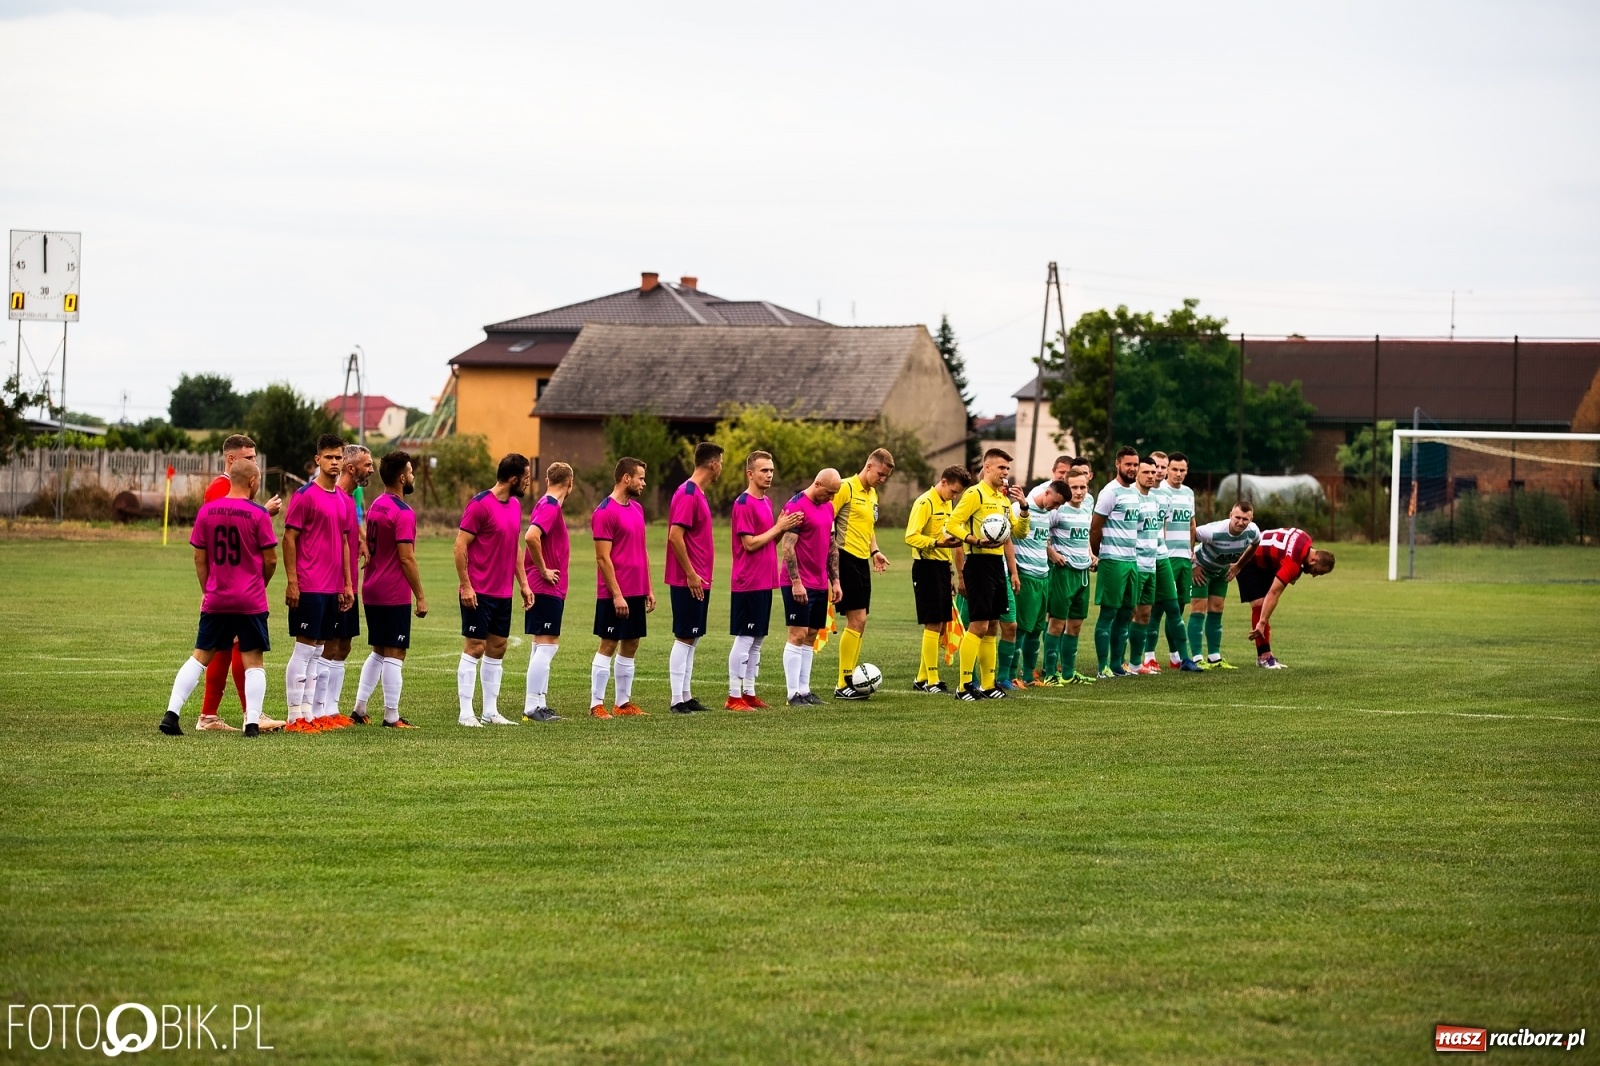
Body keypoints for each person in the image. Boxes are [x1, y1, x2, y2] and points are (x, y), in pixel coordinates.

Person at [159, 460, 278, 738]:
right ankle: (251, 724)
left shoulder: (206, 512)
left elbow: (199, 558)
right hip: (249, 600)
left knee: (199, 657)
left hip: (217, 598)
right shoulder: (258, 514)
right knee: (253, 661)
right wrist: (260, 584)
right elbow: (271, 560)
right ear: (251, 482)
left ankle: (171, 714)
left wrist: (208, 589)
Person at [195, 434, 282, 732]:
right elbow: (227, 527)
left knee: (227, 648)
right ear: (233, 460)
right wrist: (264, 512)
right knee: (236, 648)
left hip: (229, 587)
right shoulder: (220, 488)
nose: (256, 463)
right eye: (251, 457)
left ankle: (219, 715)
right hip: (234, 587)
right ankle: (244, 715)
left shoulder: (226, 488)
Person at [455, 453, 533, 726]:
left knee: (497, 648)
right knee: (475, 647)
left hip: (503, 593)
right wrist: (466, 585)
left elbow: (514, 547)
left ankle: (490, 711)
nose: (527, 484)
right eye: (525, 478)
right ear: (513, 479)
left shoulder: (514, 506)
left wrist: (523, 584)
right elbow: (459, 546)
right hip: (478, 592)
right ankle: (466, 713)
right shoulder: (480, 505)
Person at [281, 434, 352, 733]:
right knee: (304, 648)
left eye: (338, 457)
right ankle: (293, 716)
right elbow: (289, 538)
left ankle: (309, 714)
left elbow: (346, 543)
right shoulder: (304, 496)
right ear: (318, 460)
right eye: (329, 457)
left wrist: (347, 584)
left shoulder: (344, 500)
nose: (334, 462)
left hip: (332, 586)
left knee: (319, 650)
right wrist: (292, 581)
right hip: (309, 584)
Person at [351, 450, 427, 729]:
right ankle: (391, 716)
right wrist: (420, 595)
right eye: (410, 470)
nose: (413, 475)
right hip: (392, 591)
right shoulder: (402, 512)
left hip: (371, 587)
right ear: (401, 477)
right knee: (396, 652)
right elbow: (406, 558)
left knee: (379, 650)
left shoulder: (377, 505)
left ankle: (359, 709)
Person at [946, 448, 1028, 701]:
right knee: (979, 624)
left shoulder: (1003, 500)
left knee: (993, 625)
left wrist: (1024, 508)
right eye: (1001, 467)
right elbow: (952, 524)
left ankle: (989, 684)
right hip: (978, 563)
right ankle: (964, 685)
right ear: (988, 468)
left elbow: (1019, 533)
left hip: (997, 566)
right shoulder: (974, 494)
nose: (1005, 473)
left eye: (1007, 469)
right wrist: (974, 540)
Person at [727, 451, 803, 710]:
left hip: (764, 579)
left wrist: (780, 528)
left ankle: (748, 692)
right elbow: (749, 544)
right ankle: (733, 696)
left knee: (758, 638)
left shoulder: (765, 502)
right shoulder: (744, 503)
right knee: (746, 637)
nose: (769, 475)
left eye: (771, 470)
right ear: (750, 474)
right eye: (764, 470)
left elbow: (769, 540)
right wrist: (779, 527)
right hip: (748, 580)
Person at [307, 443, 371, 728]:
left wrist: (361, 538)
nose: (370, 469)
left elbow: (349, 532)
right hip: (328, 584)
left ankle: (331, 709)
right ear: (350, 467)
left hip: (349, 584)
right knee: (326, 647)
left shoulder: (351, 496)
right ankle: (317, 710)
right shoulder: (326, 496)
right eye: (367, 465)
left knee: (343, 646)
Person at [590, 457, 655, 718]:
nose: (643, 483)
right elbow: (602, 558)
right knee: (609, 643)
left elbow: (642, 550)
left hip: (637, 591)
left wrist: (648, 587)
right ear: (626, 478)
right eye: (640, 477)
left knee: (631, 644)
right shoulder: (604, 512)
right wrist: (617, 594)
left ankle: (623, 703)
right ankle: (596, 705)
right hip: (614, 593)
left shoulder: (637, 509)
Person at [664, 443, 724, 713]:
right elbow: (675, 536)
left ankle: (686, 696)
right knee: (685, 636)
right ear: (713, 464)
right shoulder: (688, 493)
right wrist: (690, 573)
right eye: (721, 462)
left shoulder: (698, 493)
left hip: (700, 578)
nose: (721, 467)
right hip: (688, 578)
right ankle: (677, 700)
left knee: (693, 637)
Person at [831, 448, 895, 700]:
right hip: (844, 557)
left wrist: (875, 551)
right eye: (880, 474)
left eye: (886, 477)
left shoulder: (872, 494)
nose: (882, 479)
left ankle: (848, 681)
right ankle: (843, 682)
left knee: (861, 622)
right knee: (856, 619)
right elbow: (828, 520)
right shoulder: (845, 487)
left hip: (861, 561)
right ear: (869, 466)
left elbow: (868, 528)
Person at [778, 469, 843, 706]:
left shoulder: (828, 507)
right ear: (817, 484)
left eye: (835, 493)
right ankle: (792, 693)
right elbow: (787, 547)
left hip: (819, 582)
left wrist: (835, 581)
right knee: (797, 634)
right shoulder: (796, 506)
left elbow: (831, 545)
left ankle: (805, 691)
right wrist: (796, 582)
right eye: (829, 492)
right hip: (797, 583)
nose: (832, 497)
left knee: (812, 635)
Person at [905, 465, 972, 694]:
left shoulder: (947, 503)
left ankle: (922, 678)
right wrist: (937, 544)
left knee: (942, 624)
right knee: (932, 622)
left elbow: (948, 538)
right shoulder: (925, 502)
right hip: (925, 567)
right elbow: (911, 536)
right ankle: (932, 680)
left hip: (942, 568)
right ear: (943, 481)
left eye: (957, 494)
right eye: (953, 491)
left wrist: (951, 572)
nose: (954, 496)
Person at [1235, 527, 1336, 668]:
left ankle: (1265, 656)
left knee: (1265, 605)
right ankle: (1264, 656)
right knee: (1260, 605)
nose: (1313, 575)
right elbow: (1274, 593)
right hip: (1248, 559)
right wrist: (1262, 622)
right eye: (1316, 572)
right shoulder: (1292, 563)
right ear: (1313, 560)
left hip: (1266, 560)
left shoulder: (1305, 537)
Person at [522, 462, 573, 721]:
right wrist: (543, 570)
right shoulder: (551, 505)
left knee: (541, 643)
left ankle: (539, 702)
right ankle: (532, 707)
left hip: (544, 586)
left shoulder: (546, 503)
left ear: (547, 480)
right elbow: (531, 537)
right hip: (545, 586)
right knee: (548, 645)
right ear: (570, 484)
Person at [1189, 501, 1263, 669]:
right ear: (1230, 515)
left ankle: (1214, 658)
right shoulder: (1213, 531)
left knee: (1217, 609)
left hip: (1221, 572)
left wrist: (1239, 566)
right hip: (1201, 570)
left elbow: (1256, 544)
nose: (1241, 522)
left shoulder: (1253, 531)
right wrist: (1193, 565)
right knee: (1199, 608)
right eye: (1237, 517)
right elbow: (1191, 534)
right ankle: (1196, 658)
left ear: (1251, 519)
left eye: (1245, 519)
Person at [1089, 446, 1142, 679]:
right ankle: (1103, 668)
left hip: (1132, 561)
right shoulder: (1110, 492)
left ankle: (1117, 665)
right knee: (1108, 614)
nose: (1132, 468)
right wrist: (1098, 555)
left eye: (1135, 464)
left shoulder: (1135, 492)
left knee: (1126, 614)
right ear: (1118, 464)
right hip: (1112, 561)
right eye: (1128, 464)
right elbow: (1095, 527)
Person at [1040, 469, 1096, 684]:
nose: (1079, 492)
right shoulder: (1057, 511)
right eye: (1074, 487)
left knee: (1076, 625)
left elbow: (1084, 539)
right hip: (1064, 574)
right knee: (1056, 624)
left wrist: (1091, 555)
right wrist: (1052, 553)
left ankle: (1068, 674)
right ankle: (1051, 674)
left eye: (1083, 487)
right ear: (1066, 487)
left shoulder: (1086, 510)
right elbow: (1040, 533)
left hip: (1083, 574)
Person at [1014, 478, 1069, 686]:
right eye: (1055, 502)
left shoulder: (1049, 514)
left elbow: (1043, 541)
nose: (1055, 508)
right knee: (1020, 628)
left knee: (1037, 629)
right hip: (1026, 575)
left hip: (1043, 575)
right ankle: (1011, 675)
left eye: (1059, 505)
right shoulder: (1019, 508)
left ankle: (1028, 675)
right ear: (1047, 492)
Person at [1151, 452, 1202, 671]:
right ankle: (1148, 656)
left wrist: (1192, 552)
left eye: (1182, 470)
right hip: (1166, 557)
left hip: (1183, 558)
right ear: (1167, 470)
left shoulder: (1189, 493)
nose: (1178, 474)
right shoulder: (1158, 492)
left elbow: (1192, 525)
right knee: (1157, 608)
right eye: (1174, 469)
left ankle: (1175, 658)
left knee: (1179, 607)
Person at [1129, 456, 1164, 674]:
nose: (1152, 476)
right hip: (1134, 565)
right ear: (1137, 473)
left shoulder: (1154, 499)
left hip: (1151, 564)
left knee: (1145, 615)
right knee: (1126, 614)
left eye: (1154, 473)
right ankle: (1115, 662)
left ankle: (1135, 664)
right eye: (1147, 472)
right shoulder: (1131, 497)